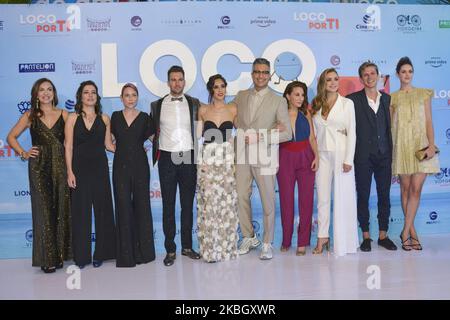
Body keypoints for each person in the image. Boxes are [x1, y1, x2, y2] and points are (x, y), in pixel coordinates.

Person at [7, 78, 71, 273]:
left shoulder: (65, 114)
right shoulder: (30, 115)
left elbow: (73, 141)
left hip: (60, 164)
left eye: (49, 89)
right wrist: (24, 153)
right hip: (39, 166)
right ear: (36, 94)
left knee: (61, 208)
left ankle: (60, 256)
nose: (46, 93)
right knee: (43, 211)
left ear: (54, 93)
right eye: (41, 90)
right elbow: (11, 137)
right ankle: (47, 259)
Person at [233, 58, 292, 260]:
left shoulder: (278, 101)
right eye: (257, 72)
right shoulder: (240, 96)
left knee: (268, 200)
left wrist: (261, 136)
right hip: (241, 154)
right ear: (252, 74)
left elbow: (287, 133)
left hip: (265, 155)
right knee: (241, 196)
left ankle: (267, 242)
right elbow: (231, 118)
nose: (260, 75)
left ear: (269, 75)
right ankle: (249, 237)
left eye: (265, 72)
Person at [149, 65, 201, 266]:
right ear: (168, 82)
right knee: (168, 205)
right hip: (167, 159)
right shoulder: (157, 105)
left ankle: (187, 247)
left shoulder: (195, 103)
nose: (177, 83)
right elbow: (150, 129)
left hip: (187, 157)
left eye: (180, 79)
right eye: (173, 79)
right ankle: (170, 249)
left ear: (184, 82)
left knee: (187, 205)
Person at [347, 62, 398, 252]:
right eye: (365, 74)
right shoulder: (351, 100)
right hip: (362, 157)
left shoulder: (387, 99)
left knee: (384, 196)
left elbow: (390, 127)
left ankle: (383, 235)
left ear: (378, 76)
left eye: (372, 73)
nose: (369, 77)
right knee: (363, 196)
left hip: (384, 155)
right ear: (361, 79)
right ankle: (366, 236)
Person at [65, 80, 116, 268]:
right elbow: (68, 146)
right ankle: (81, 257)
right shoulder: (72, 118)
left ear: (97, 96)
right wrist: (69, 171)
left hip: (99, 169)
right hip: (79, 170)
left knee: (103, 211)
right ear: (80, 96)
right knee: (81, 213)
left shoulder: (104, 118)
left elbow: (109, 145)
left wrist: (131, 149)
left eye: (93, 92)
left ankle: (101, 254)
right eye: (86, 92)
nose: (90, 95)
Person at [391, 57, 440, 251]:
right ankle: (411, 232)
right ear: (397, 74)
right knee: (405, 189)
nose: (407, 75)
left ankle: (404, 231)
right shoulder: (392, 98)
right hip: (401, 145)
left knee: (416, 189)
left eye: (410, 71)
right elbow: (390, 125)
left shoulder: (423, 94)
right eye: (403, 71)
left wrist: (431, 145)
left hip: (422, 146)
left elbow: (429, 121)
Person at [311, 68, 359, 257]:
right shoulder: (316, 103)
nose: (332, 82)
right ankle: (322, 237)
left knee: (342, 198)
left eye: (335, 79)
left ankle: (344, 241)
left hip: (341, 154)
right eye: (328, 79)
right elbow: (313, 133)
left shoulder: (347, 104)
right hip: (322, 154)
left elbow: (352, 132)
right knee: (322, 198)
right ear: (323, 82)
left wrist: (349, 159)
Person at [111, 83, 156, 267]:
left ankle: (143, 254)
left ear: (137, 97)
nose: (130, 98)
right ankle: (126, 255)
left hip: (140, 166)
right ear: (121, 98)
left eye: (134, 95)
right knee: (122, 207)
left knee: (142, 206)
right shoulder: (114, 117)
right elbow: (108, 141)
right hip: (120, 166)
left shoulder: (145, 118)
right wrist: (121, 151)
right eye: (127, 95)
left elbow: (156, 140)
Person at [196, 74, 238, 263]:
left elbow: (242, 133)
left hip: (227, 159)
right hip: (207, 160)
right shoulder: (202, 110)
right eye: (216, 87)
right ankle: (210, 250)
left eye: (222, 86)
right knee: (208, 205)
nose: (220, 90)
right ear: (210, 90)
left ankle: (227, 248)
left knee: (227, 203)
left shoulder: (234, 109)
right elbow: (197, 137)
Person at [277, 81, 318, 256]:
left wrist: (316, 156)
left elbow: (312, 138)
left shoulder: (307, 113)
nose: (300, 98)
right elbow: (271, 136)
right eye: (296, 94)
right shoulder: (279, 114)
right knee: (286, 200)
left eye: (302, 95)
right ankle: (286, 240)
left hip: (305, 156)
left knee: (306, 200)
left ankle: (302, 241)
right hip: (285, 156)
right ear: (288, 95)